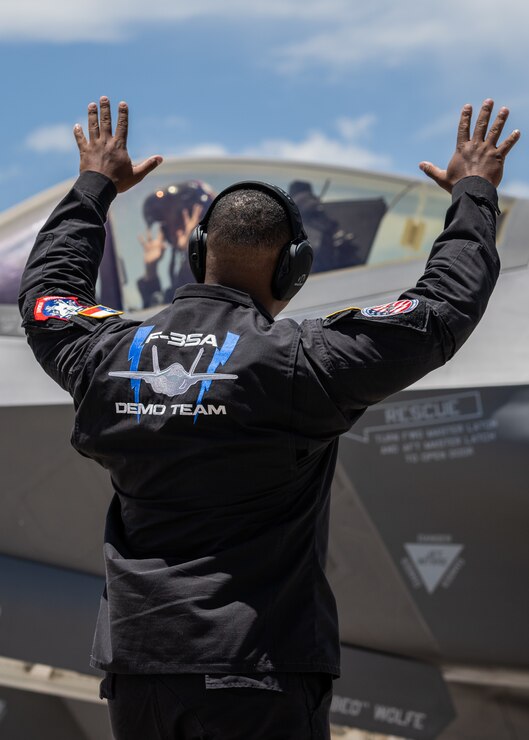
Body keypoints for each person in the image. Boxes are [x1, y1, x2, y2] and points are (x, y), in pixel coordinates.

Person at [18, 96, 519, 740]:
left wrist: (93, 186)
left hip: (141, 676)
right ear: (294, 269)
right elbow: (444, 306)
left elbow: (48, 295)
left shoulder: (108, 356)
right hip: (256, 672)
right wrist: (475, 193)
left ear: (198, 253)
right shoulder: (301, 363)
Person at [138, 180, 215, 308]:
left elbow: (205, 302)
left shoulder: (226, 267)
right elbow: (160, 316)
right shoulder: (179, 284)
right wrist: (151, 271)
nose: (174, 230)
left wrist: (193, 249)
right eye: (168, 224)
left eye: (182, 219)